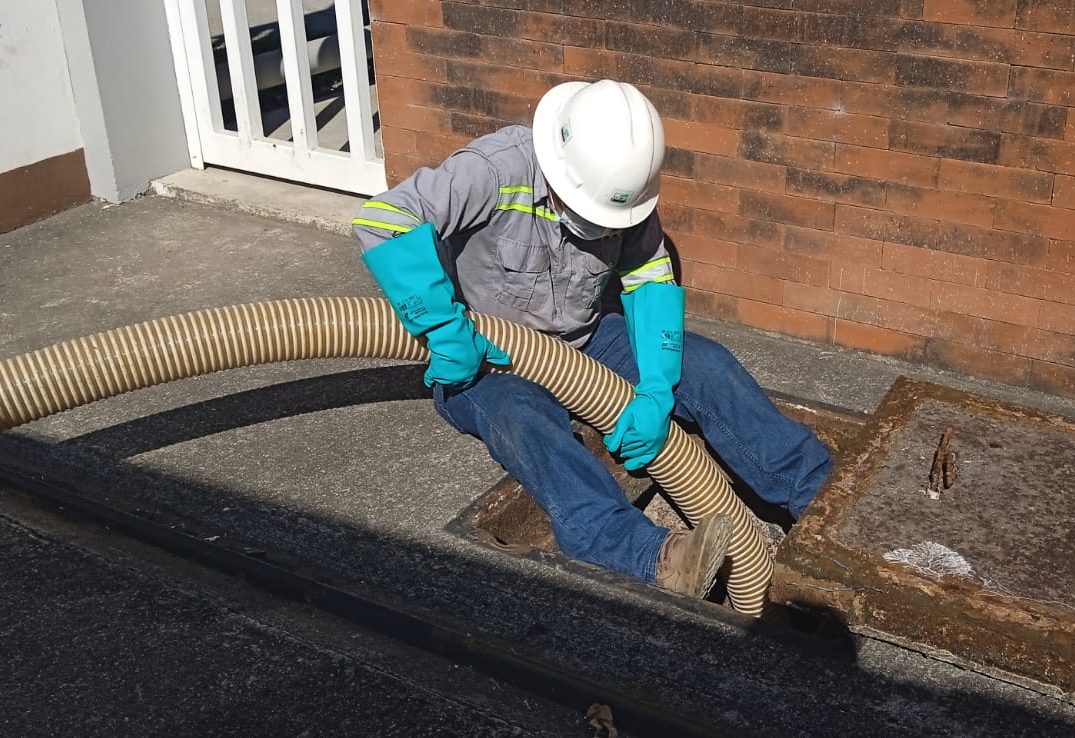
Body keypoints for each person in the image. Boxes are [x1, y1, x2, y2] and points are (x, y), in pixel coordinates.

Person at [351, 79, 833, 598]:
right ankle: (654, 558)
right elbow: (383, 217)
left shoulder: (626, 190)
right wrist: (445, 329)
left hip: (584, 340)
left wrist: (655, 388)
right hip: (485, 358)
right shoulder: (496, 168)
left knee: (707, 364)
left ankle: (823, 501)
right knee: (527, 421)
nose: (600, 230)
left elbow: (650, 281)